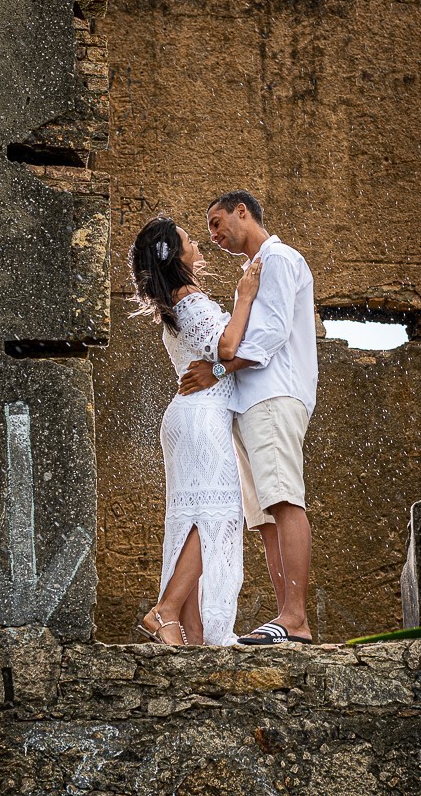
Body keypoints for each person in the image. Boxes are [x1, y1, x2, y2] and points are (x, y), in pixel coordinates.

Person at [178, 190, 318, 645]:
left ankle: (295, 618)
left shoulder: (277, 259)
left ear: (243, 212)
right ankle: (285, 618)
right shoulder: (252, 271)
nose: (213, 235)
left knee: (284, 500)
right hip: (250, 403)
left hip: (273, 396)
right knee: (263, 516)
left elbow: (269, 334)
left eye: (217, 223)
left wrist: (217, 369)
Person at [128, 215, 262, 645]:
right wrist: (244, 297)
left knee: (191, 519)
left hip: (187, 417)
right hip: (204, 417)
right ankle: (166, 610)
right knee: (216, 515)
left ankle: (189, 631)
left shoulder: (174, 303)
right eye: (190, 241)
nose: (199, 247)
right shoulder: (190, 299)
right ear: (175, 254)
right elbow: (227, 348)